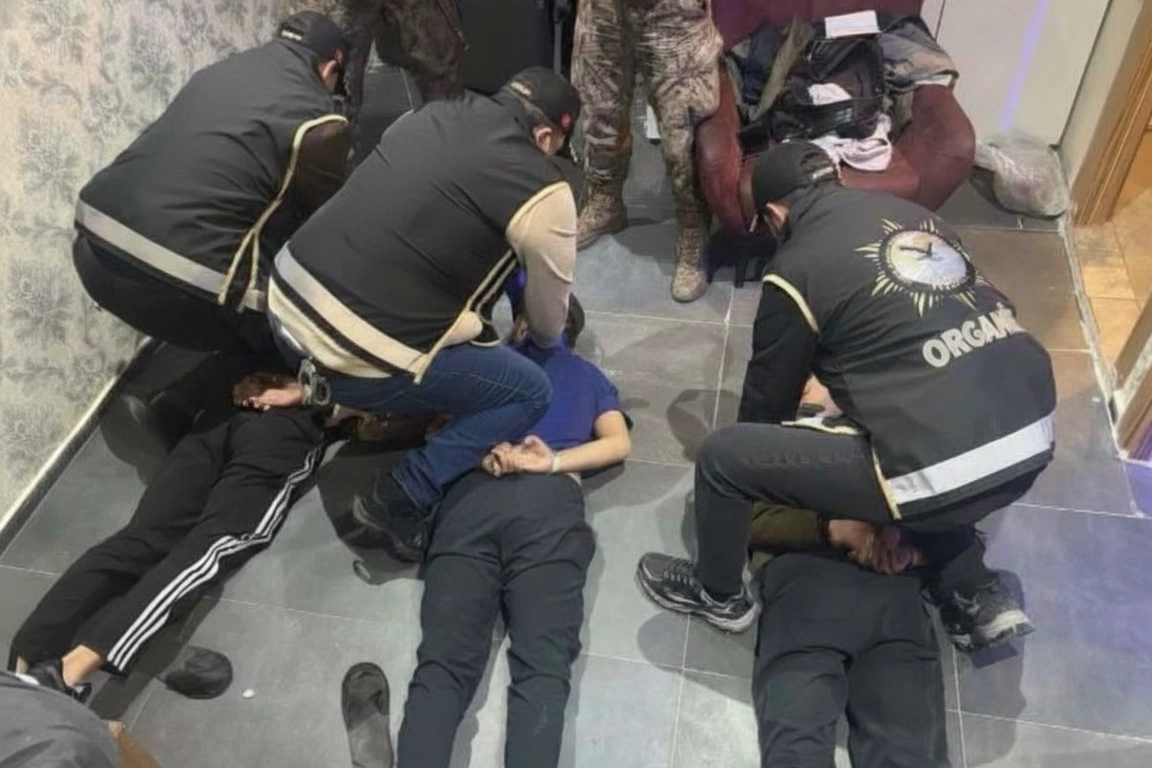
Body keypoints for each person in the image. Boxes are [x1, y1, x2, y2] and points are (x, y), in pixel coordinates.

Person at [637, 141, 1056, 652]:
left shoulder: (796, 267)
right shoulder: (918, 218)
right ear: (834, 176)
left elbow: (766, 405)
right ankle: (971, 586)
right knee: (921, 441)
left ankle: (719, 596)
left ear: (775, 215)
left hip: (945, 462)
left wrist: (778, 473)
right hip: (1031, 431)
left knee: (724, 459)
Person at [267, 66, 584, 562]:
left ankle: (365, 398)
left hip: (283, 298)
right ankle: (401, 496)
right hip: (348, 353)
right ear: (546, 137)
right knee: (527, 391)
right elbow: (547, 325)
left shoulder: (427, 114)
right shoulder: (544, 187)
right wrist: (538, 335)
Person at [72, 11, 353, 450]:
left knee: (248, 236)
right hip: (168, 290)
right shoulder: (318, 118)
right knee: (292, 309)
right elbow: (327, 219)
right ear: (331, 66)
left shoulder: (216, 73)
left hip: (93, 252)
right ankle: (174, 406)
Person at [7, 367, 338, 699]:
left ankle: (21, 668)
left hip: (229, 402)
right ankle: (65, 675)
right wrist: (315, 396)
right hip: (288, 420)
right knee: (214, 546)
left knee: (142, 538)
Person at [392, 309, 630, 768]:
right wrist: (552, 461)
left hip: (470, 501)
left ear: (519, 325)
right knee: (543, 668)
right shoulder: (587, 375)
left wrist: (480, 449)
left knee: (443, 665)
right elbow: (618, 443)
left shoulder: (482, 366)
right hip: (550, 505)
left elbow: (432, 425)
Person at [739, 505, 951, 768]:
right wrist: (837, 530)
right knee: (911, 755)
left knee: (797, 748)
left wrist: (908, 552)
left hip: (813, 588)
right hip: (871, 592)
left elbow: (738, 516)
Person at [572, 0, 724, 302]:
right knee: (599, 109)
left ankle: (693, 225)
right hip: (603, 9)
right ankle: (605, 200)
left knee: (682, 128)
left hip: (671, 14)